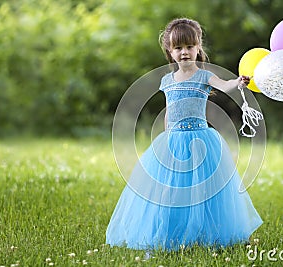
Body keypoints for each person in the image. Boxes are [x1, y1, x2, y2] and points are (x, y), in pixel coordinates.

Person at [106, 18, 263, 251]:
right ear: (170, 51)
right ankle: (171, 234)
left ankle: (209, 234)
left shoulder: (204, 76)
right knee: (170, 192)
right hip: (173, 141)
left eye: (189, 47)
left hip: (201, 141)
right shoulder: (167, 80)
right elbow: (169, 110)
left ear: (198, 47)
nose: (184, 52)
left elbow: (224, 85)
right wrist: (167, 137)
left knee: (206, 191)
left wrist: (238, 82)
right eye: (178, 48)